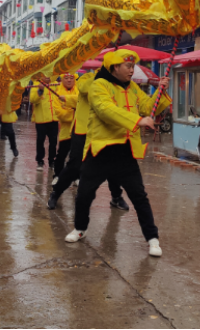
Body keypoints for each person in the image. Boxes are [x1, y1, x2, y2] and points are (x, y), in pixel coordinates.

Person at [64, 49, 171, 258]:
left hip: (125, 150)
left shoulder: (133, 88)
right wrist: (137, 121)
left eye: (133, 66)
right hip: (100, 150)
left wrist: (159, 91)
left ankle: (152, 238)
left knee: (139, 196)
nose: (132, 70)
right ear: (114, 67)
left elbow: (149, 107)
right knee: (85, 193)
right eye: (128, 66)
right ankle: (80, 228)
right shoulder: (98, 85)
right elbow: (106, 109)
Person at [47, 71, 129, 212]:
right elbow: (83, 91)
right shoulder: (87, 78)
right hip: (82, 129)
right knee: (74, 165)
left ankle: (116, 197)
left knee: (110, 164)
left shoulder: (115, 84)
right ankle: (56, 193)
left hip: (103, 130)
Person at [51, 73, 78, 185]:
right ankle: (57, 175)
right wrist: (74, 111)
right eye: (66, 78)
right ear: (62, 79)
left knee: (77, 156)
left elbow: (83, 104)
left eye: (71, 78)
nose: (69, 80)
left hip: (79, 130)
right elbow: (60, 113)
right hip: (66, 130)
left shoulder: (79, 92)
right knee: (61, 155)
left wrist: (70, 106)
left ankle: (77, 177)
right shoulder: (57, 93)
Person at [30, 76, 59, 171]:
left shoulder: (56, 84)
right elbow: (33, 100)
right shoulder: (36, 84)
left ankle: (52, 160)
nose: (47, 77)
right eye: (44, 75)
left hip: (53, 118)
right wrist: (40, 91)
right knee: (40, 141)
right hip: (41, 119)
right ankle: (40, 161)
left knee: (53, 141)